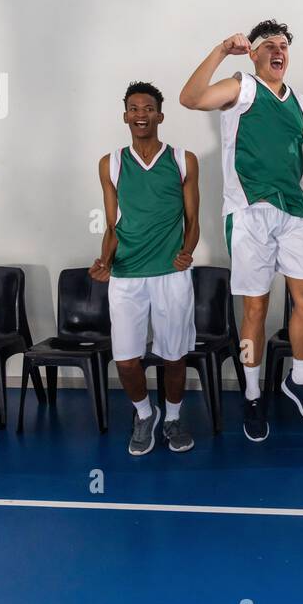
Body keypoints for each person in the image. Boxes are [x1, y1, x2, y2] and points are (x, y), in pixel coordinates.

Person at [179, 19, 303, 441]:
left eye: (284, 45)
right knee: (255, 309)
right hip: (249, 212)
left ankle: (299, 381)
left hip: (294, 211)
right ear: (253, 54)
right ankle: (252, 394)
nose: (278, 50)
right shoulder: (242, 87)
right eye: (269, 44)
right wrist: (220, 50)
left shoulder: (301, 102)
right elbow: (191, 98)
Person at [90, 81, 200, 456]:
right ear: (125, 115)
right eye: (134, 108)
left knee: (174, 356)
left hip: (171, 274)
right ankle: (143, 414)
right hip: (126, 277)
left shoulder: (184, 159)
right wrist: (104, 260)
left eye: (148, 108)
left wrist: (187, 251)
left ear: (160, 115)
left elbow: (193, 220)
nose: (141, 114)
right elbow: (111, 226)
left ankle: (172, 417)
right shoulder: (112, 163)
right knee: (126, 359)